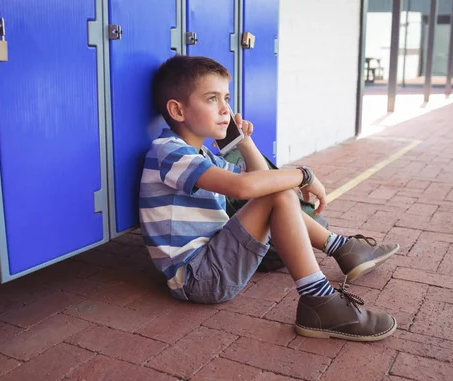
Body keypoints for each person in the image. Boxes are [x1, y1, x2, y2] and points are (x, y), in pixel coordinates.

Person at [139, 55, 399, 341]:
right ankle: (321, 296)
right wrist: (304, 175)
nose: (225, 109)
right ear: (177, 110)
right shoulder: (168, 152)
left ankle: (341, 252)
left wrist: (243, 142)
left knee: (278, 193)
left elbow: (265, 186)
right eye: (212, 99)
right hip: (198, 278)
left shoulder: (202, 155)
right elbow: (245, 188)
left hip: (212, 265)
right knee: (280, 195)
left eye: (226, 98)